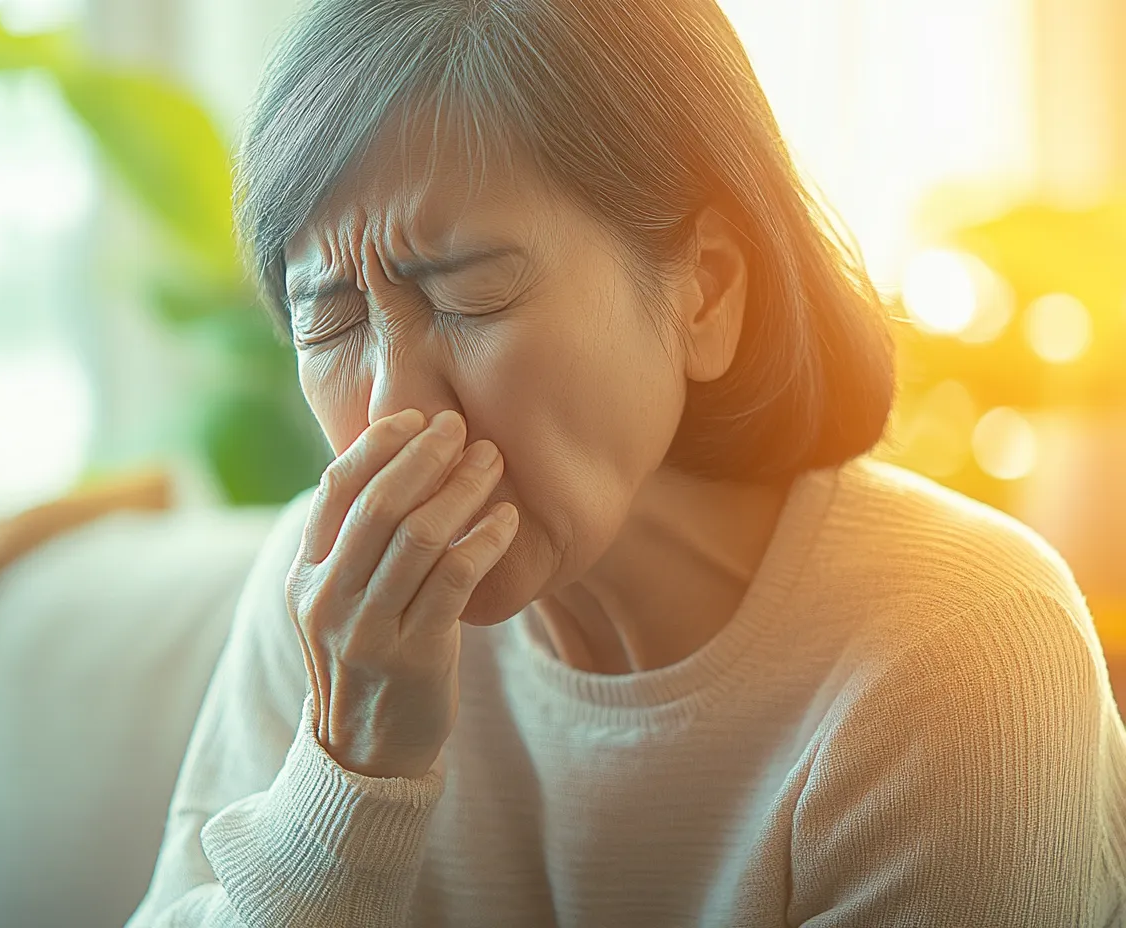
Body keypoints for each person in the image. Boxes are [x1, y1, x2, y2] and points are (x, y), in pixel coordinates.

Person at [126, 0, 1126, 924]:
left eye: (467, 294)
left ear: (703, 295)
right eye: (332, 318)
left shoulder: (956, 649)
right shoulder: (329, 617)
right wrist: (343, 781)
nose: (394, 406)